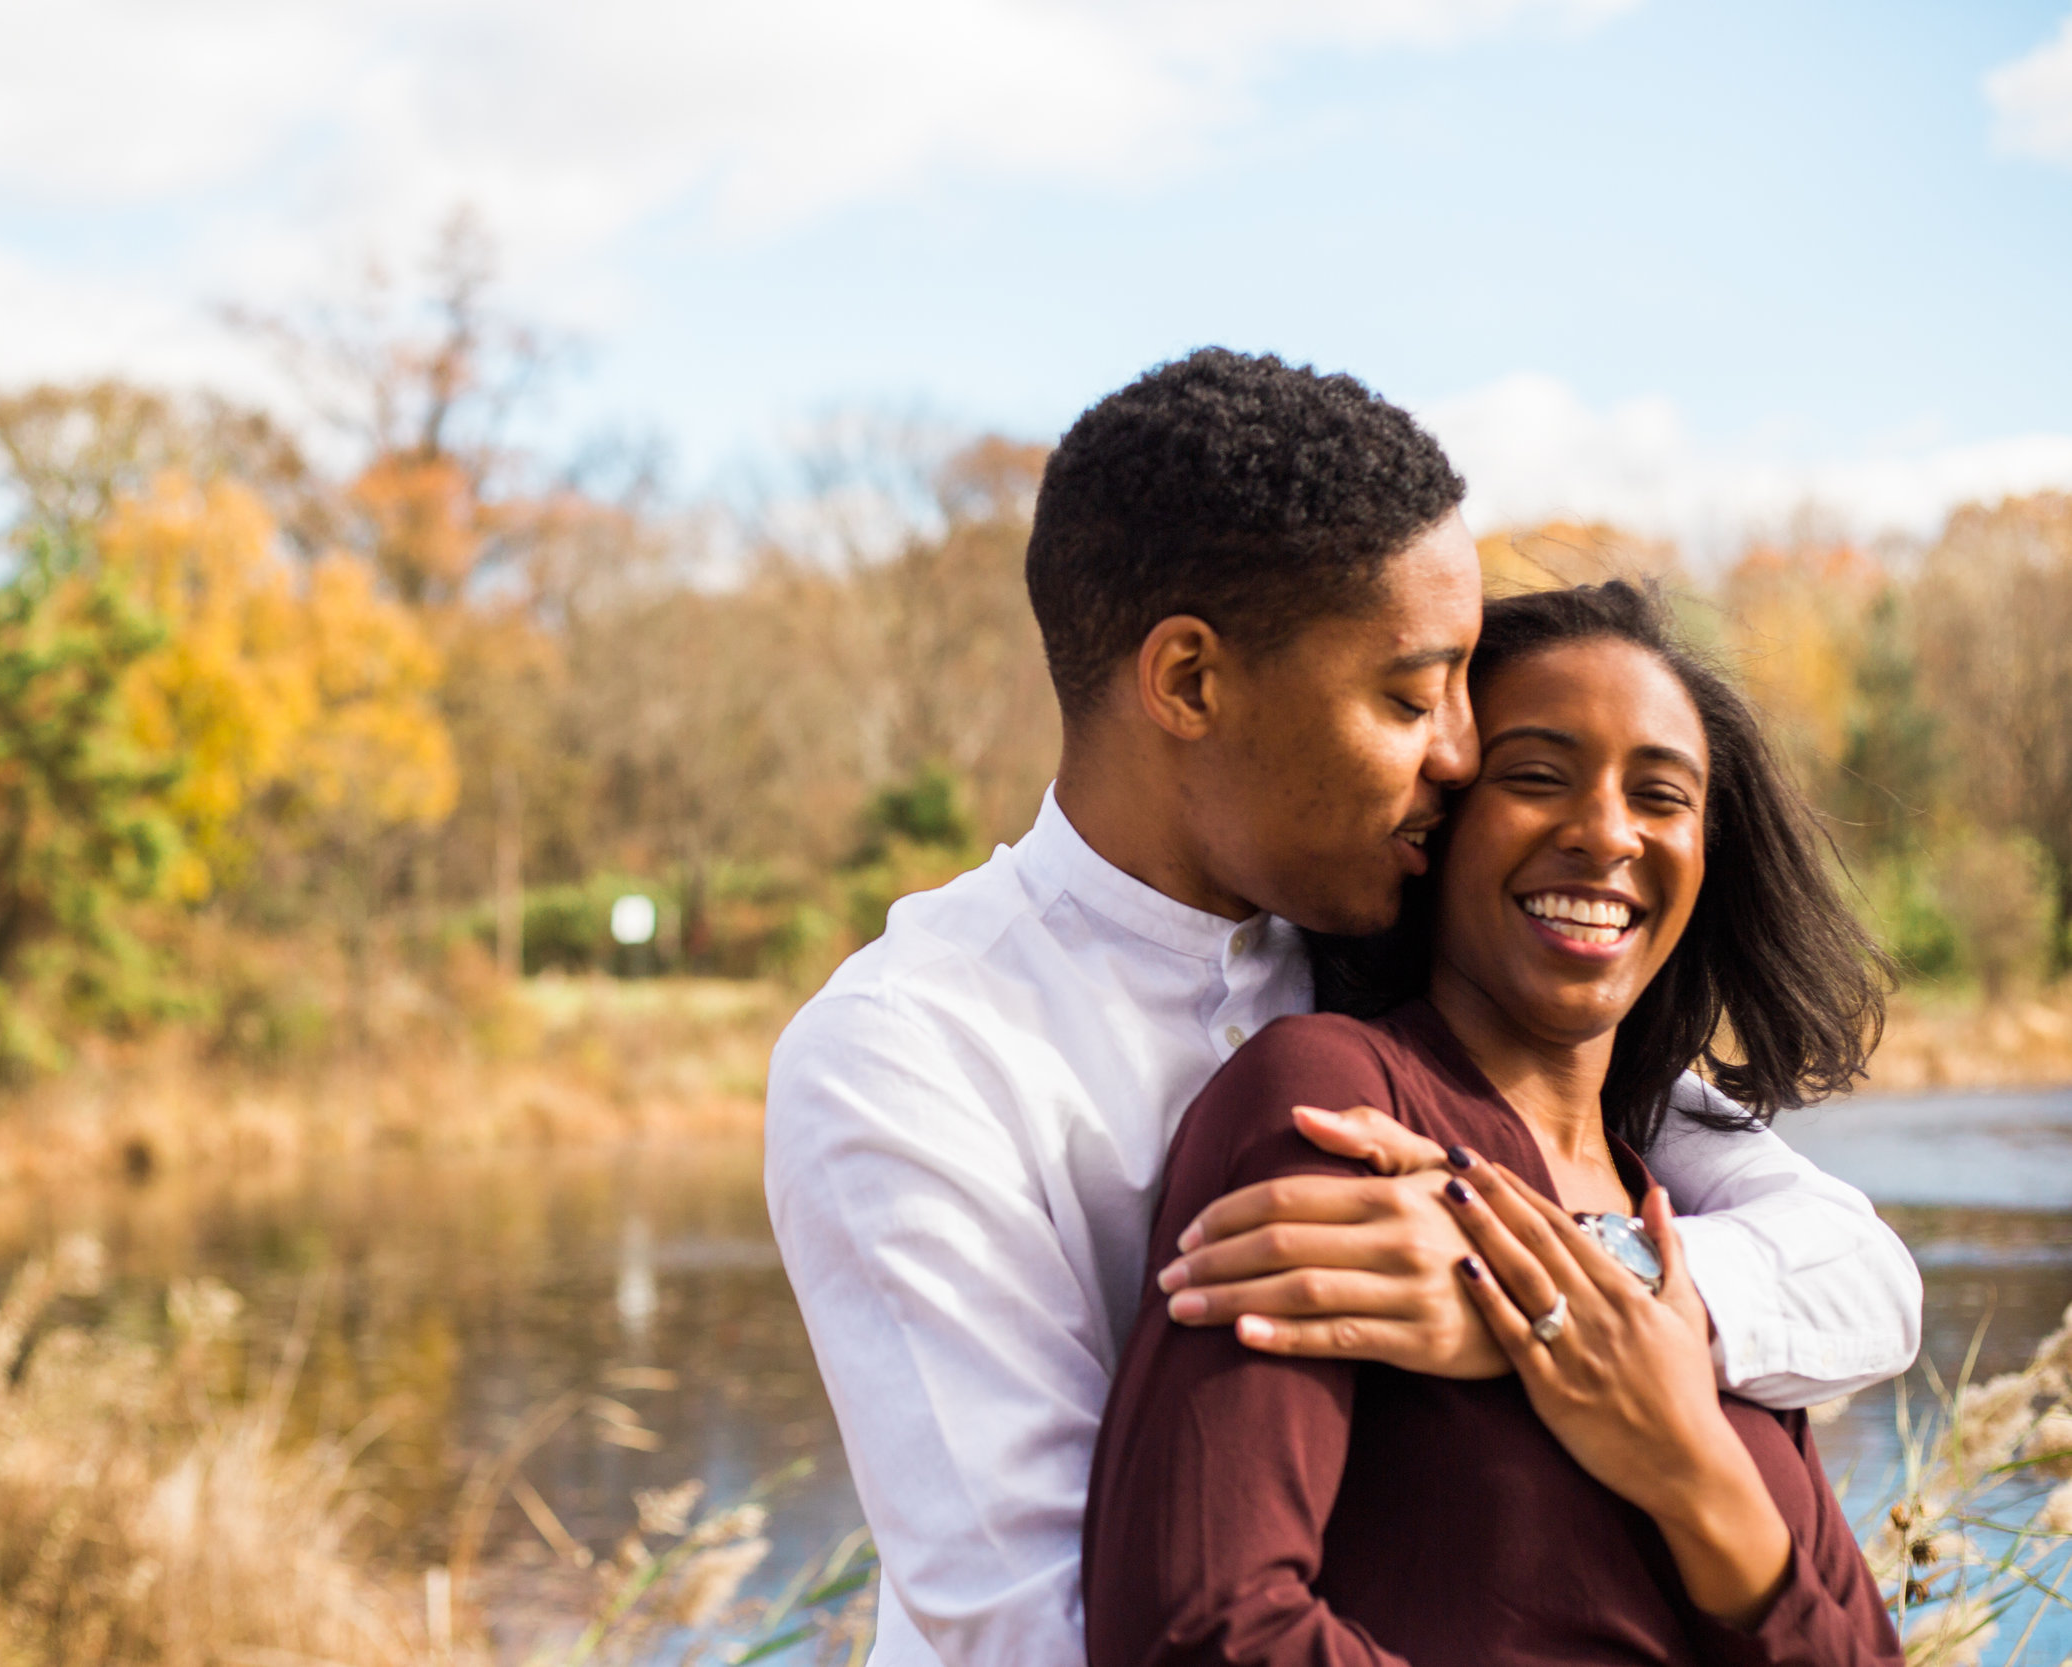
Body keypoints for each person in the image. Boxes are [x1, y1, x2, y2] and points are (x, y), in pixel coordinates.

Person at [763, 350, 1921, 1667]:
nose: (1460, 752)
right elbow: (1042, 1630)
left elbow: (1855, 1268)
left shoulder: (1403, 956)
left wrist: (1549, 1280)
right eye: (1407, 694)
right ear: (1192, 683)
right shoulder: (908, 1057)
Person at [1084, 579, 1902, 1665]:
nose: (1606, 833)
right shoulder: (1334, 1108)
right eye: (1534, 776)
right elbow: (1198, 1631)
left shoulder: (1678, 1222)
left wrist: (1691, 1468)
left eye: (1660, 796)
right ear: (1437, 822)